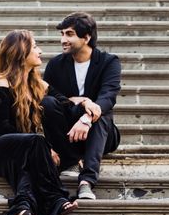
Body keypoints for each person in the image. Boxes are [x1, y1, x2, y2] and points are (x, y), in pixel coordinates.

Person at [0, 29, 77, 215]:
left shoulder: (38, 85)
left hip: (19, 149)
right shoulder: (0, 84)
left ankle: (21, 209)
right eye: (35, 46)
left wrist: (87, 105)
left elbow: (66, 104)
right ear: (21, 52)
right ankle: (56, 199)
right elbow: (2, 127)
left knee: (26, 167)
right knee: (36, 145)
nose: (41, 51)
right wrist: (43, 149)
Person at [42, 12, 122, 201]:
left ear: (86, 38)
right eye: (62, 34)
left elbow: (108, 96)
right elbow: (50, 94)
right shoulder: (56, 64)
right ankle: (70, 160)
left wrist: (87, 117)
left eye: (69, 34)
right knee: (47, 103)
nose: (63, 39)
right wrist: (76, 100)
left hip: (101, 132)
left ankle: (86, 181)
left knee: (100, 114)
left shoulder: (108, 62)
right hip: (68, 133)